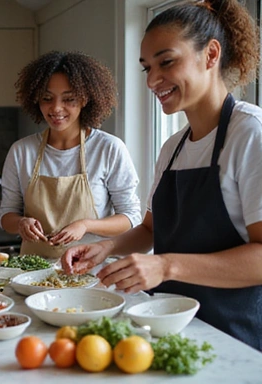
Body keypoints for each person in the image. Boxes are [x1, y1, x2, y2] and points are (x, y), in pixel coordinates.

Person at [61, 0, 262, 351]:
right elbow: (151, 230)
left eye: (166, 62)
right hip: (169, 330)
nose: (153, 80)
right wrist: (105, 248)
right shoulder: (173, 148)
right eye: (146, 68)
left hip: (233, 338)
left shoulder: (250, 134)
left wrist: (166, 266)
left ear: (211, 55)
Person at [0, 51, 141, 259]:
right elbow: (6, 215)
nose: (56, 108)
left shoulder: (109, 148)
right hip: (34, 273)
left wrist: (85, 225)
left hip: (92, 272)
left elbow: (131, 217)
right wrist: (20, 223)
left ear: (85, 99)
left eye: (69, 99)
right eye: (47, 98)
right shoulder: (21, 151)